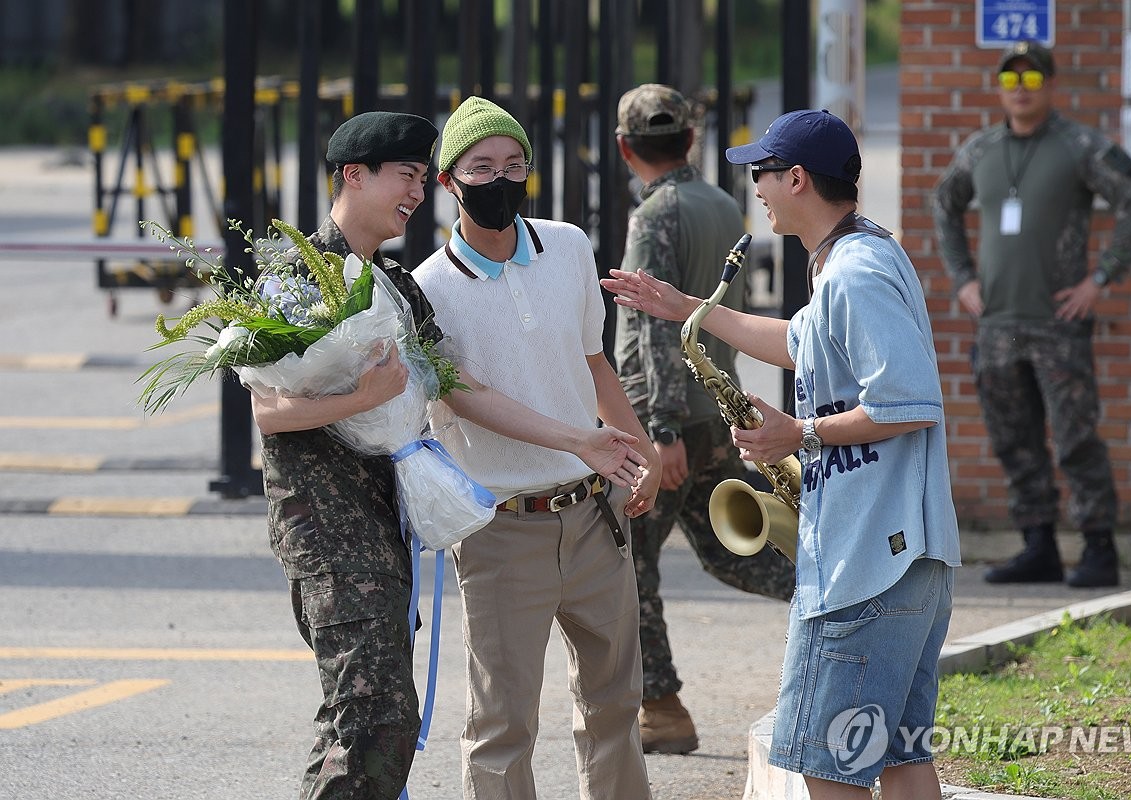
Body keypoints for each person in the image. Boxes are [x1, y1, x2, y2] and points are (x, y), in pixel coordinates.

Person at [251, 111, 649, 800]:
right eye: (405, 174)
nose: (413, 192)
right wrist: (363, 396)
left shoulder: (395, 288)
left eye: (415, 176)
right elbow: (266, 409)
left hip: (390, 532)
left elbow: (460, 387)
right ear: (354, 174)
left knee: (380, 717)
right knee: (372, 717)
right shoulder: (298, 277)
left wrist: (586, 438)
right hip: (334, 535)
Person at [603, 108, 961, 799]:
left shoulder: (855, 272)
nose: (756, 188)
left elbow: (909, 403)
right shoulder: (856, 256)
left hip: (867, 567)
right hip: (902, 561)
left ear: (796, 178)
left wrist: (799, 434)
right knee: (901, 757)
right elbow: (801, 341)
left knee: (827, 767)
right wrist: (687, 310)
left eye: (762, 174)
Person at [412, 96, 661, 800]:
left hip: (593, 516)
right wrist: (582, 440)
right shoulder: (429, 290)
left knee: (615, 703)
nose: (501, 179)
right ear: (447, 182)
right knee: (502, 723)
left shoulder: (570, 246)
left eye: (514, 165)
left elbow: (594, 363)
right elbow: (459, 395)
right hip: (499, 530)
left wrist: (640, 455)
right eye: (482, 167)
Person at [612, 83, 795, 755]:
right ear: (690, 140)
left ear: (626, 148)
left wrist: (657, 429)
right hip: (713, 411)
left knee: (627, 563)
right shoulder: (723, 202)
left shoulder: (654, 214)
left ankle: (660, 709)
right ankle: (832, 600)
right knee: (730, 552)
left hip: (668, 421)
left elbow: (658, 325)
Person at [933, 41, 1131, 588]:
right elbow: (943, 204)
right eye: (1012, 81)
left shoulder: (1079, 146)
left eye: (1031, 81)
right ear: (1001, 89)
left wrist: (1099, 279)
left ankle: (1099, 548)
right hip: (998, 325)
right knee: (1015, 440)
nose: (1021, 92)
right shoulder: (980, 151)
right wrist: (962, 279)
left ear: (1050, 86)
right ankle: (1039, 546)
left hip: (1058, 325)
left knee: (1076, 438)